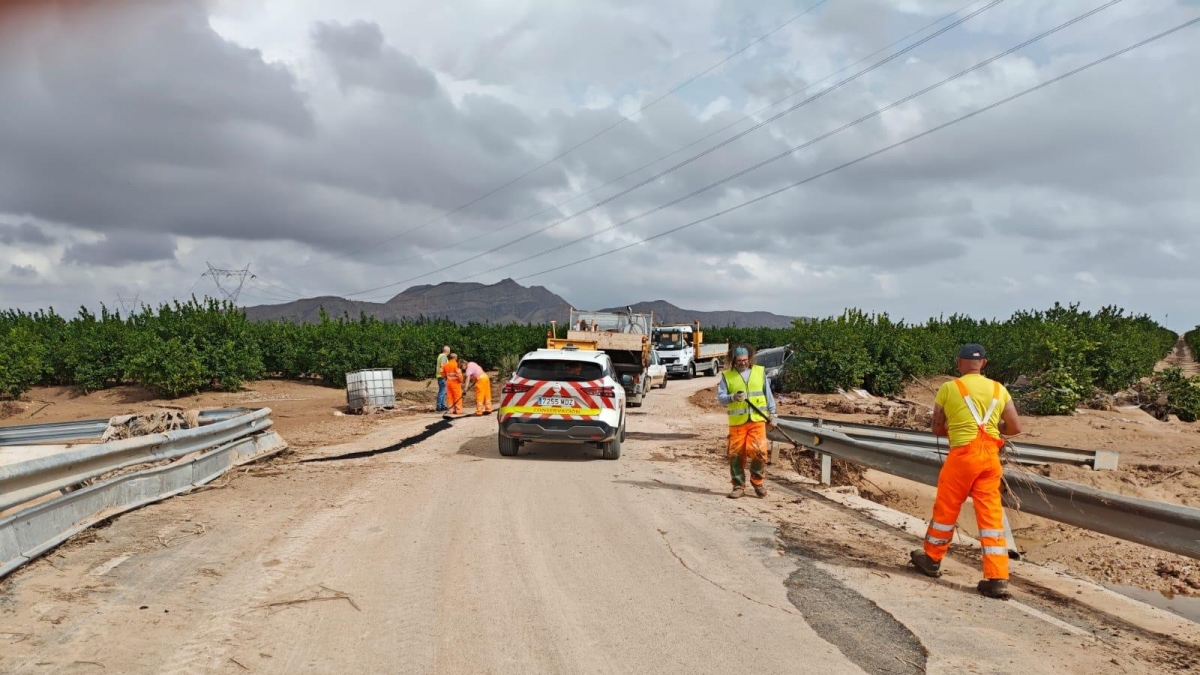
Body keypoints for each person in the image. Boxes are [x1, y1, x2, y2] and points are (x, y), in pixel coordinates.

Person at [910, 343, 1023, 600]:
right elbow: (1015, 427)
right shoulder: (998, 389)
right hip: (990, 459)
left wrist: (960, 427)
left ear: (958, 363)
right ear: (983, 363)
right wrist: (994, 428)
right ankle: (997, 578)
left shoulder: (949, 388)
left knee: (946, 510)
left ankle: (932, 559)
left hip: (962, 457)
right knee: (991, 517)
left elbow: (937, 428)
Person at [716, 346, 777, 499]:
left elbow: (767, 394)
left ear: (749, 359)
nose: (742, 363)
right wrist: (732, 397)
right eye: (739, 361)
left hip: (757, 420)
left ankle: (757, 482)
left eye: (745, 360)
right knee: (736, 455)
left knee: (760, 453)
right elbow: (721, 398)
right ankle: (738, 486)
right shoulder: (727, 377)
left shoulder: (759, 372)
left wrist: (773, 413)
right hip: (738, 423)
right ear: (733, 361)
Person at [435, 345, 451, 412]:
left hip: (440, 376)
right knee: (442, 392)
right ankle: (439, 406)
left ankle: (442, 405)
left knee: (442, 392)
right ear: (448, 351)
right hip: (442, 377)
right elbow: (442, 365)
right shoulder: (444, 357)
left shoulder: (440, 356)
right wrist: (446, 375)